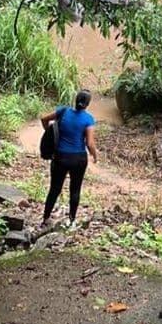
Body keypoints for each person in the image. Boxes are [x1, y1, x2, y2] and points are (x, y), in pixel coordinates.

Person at [41, 90, 97, 230]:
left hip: (60, 157)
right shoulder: (88, 119)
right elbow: (89, 143)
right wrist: (95, 155)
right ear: (87, 104)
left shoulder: (63, 111)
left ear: (75, 100)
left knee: (54, 188)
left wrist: (50, 134)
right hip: (78, 158)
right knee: (75, 189)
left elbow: (44, 119)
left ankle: (46, 218)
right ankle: (72, 220)